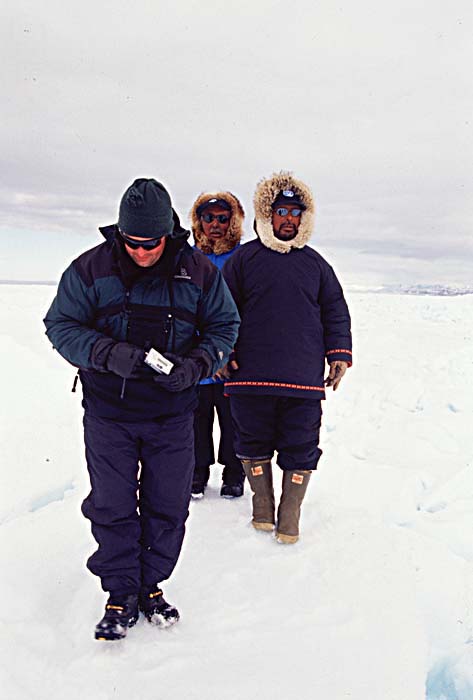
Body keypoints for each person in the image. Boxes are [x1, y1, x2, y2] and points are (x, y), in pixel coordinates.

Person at [43, 178, 240, 640]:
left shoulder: (200, 272)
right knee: (111, 505)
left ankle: (151, 586)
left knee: (167, 506)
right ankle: (119, 592)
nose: (142, 252)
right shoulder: (89, 270)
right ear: (120, 234)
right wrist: (107, 353)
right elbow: (60, 325)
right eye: (131, 243)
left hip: (173, 416)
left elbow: (225, 325)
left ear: (168, 234)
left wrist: (197, 364)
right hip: (109, 414)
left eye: (151, 244)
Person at [222, 171, 352, 544]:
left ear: (304, 218)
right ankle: (262, 506)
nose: (288, 219)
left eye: (296, 212)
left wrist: (339, 354)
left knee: (301, 444)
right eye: (281, 211)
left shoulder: (316, 265)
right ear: (268, 214)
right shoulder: (243, 260)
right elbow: (222, 311)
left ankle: (290, 513)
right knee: (251, 440)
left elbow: (335, 311)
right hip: (248, 376)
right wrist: (222, 351)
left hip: (303, 380)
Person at [190, 192, 245, 499]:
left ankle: (234, 474)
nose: (215, 224)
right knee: (196, 420)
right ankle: (197, 473)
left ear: (233, 221)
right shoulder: (187, 257)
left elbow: (245, 310)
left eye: (223, 218)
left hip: (232, 361)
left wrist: (230, 352)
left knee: (232, 420)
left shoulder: (242, 259)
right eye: (208, 218)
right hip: (196, 358)